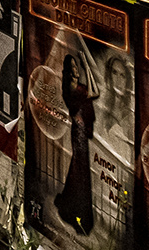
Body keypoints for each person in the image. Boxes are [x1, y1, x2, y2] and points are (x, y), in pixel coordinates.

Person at [55, 50, 99, 236]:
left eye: (76, 65)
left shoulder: (75, 87)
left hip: (79, 130)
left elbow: (94, 91)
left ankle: (74, 207)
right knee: (79, 169)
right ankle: (76, 210)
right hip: (79, 131)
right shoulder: (73, 88)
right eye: (72, 66)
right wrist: (87, 68)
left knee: (80, 168)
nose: (75, 68)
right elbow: (94, 92)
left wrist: (86, 68)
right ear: (68, 69)